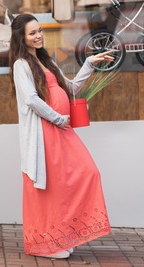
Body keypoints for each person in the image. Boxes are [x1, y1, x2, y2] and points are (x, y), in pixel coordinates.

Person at [9, 14, 112, 259]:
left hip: (62, 131)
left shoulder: (47, 62)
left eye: (39, 30)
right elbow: (31, 99)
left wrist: (89, 64)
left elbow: (72, 88)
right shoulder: (21, 65)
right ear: (21, 38)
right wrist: (57, 118)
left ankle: (62, 237)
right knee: (51, 189)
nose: (38, 36)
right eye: (32, 33)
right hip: (47, 132)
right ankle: (47, 244)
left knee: (87, 173)